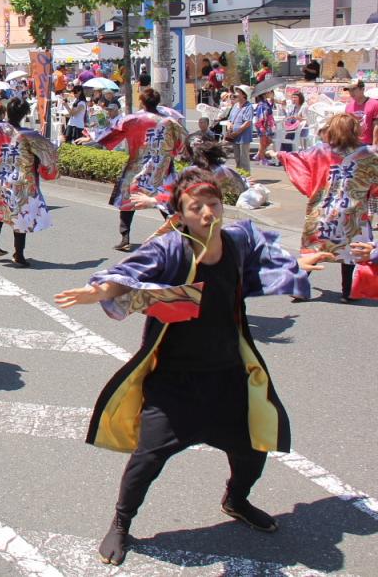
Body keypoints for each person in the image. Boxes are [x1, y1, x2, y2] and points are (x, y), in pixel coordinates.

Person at [54, 168, 331, 567]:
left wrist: (301, 261)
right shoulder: (171, 249)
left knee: (253, 449)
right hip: (174, 381)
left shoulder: (237, 240)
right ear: (180, 214)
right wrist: (98, 291)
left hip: (228, 373)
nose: (207, 213)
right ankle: (121, 521)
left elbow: (269, 261)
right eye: (195, 207)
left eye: (214, 204)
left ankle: (235, 500)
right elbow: (127, 276)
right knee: (148, 458)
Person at [278, 112, 378, 302]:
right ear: (355, 130)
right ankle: (348, 292)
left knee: (314, 250)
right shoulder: (369, 154)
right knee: (351, 252)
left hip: (323, 210)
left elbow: (297, 159)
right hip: (353, 213)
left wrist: (280, 154)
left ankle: (298, 288)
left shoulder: (320, 151)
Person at [0, 97, 58, 266]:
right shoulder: (30, 135)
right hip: (21, 181)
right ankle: (18, 254)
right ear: (24, 114)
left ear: (7, 111)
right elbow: (49, 151)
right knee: (19, 215)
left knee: (0, 209)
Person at [99, 88, 187, 251]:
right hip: (162, 169)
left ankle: (125, 238)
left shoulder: (133, 119)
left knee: (128, 201)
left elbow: (110, 134)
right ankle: (178, 234)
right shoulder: (170, 121)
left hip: (137, 167)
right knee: (164, 201)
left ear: (142, 102)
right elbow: (183, 143)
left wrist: (95, 138)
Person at [223, 85, 255, 172]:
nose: (235, 94)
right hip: (234, 136)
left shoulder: (248, 107)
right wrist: (229, 126)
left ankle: (246, 177)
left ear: (244, 94)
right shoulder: (235, 106)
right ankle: (239, 176)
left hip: (243, 136)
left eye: (238, 92)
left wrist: (237, 132)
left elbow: (248, 122)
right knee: (237, 158)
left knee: (243, 158)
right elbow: (230, 119)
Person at [343, 78, 378, 146]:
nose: (351, 92)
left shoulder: (375, 104)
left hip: (369, 145)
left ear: (362, 89)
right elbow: (347, 126)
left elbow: (376, 126)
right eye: (349, 90)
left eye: (354, 89)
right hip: (353, 144)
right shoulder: (348, 106)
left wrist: (375, 144)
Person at [252, 91, 276, 164]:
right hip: (263, 125)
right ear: (265, 94)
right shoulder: (262, 104)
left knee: (268, 141)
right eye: (270, 92)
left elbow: (269, 110)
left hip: (267, 124)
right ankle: (262, 158)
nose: (272, 93)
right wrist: (263, 127)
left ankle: (259, 155)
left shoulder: (266, 102)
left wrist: (272, 103)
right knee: (263, 142)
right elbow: (261, 116)